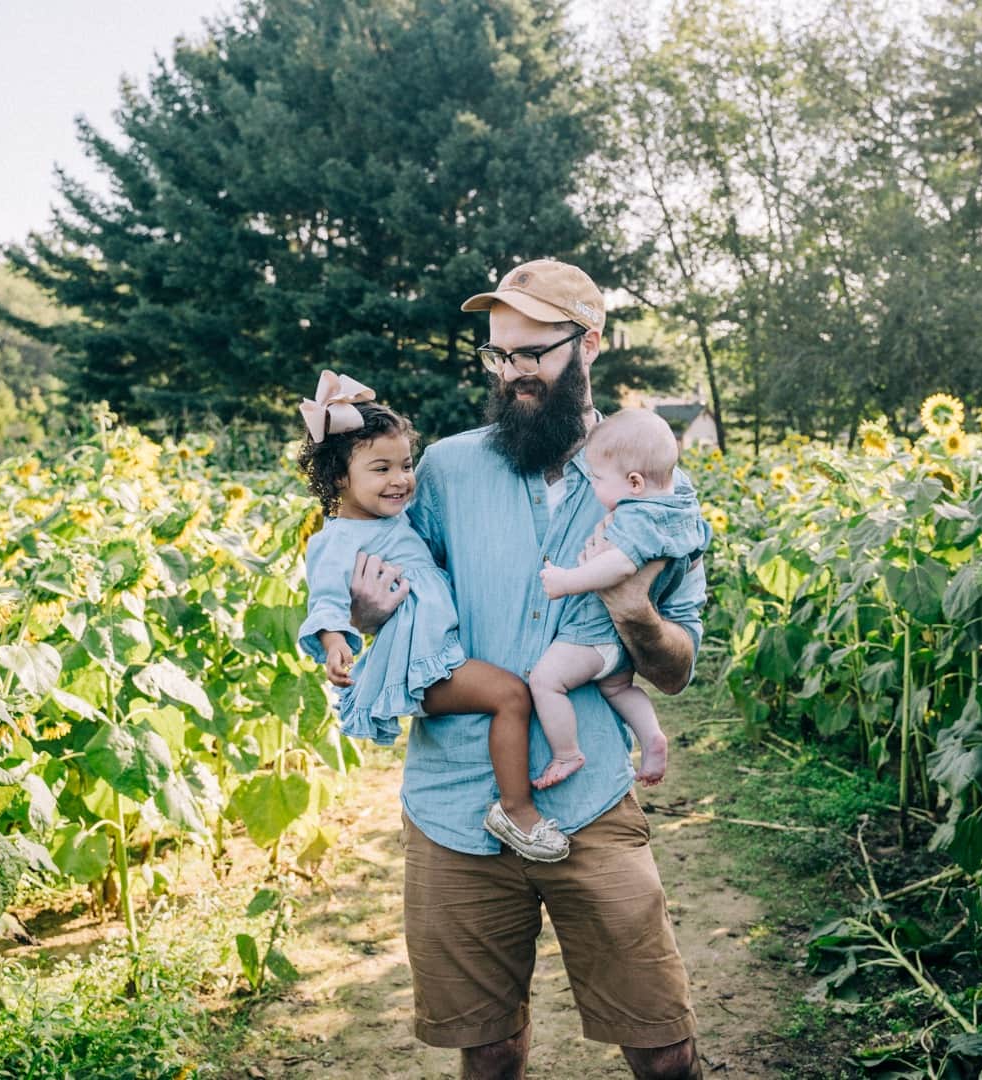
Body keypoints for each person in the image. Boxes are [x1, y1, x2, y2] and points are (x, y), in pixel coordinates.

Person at [348, 259, 706, 1079]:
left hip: (590, 800)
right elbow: (398, 599)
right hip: (454, 804)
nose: (513, 373)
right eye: (498, 355)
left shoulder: (655, 486)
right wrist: (365, 617)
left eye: (533, 353)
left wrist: (634, 610)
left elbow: (678, 669)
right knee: (490, 1051)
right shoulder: (443, 471)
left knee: (663, 1048)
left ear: (590, 344)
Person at [293, 371, 568, 862]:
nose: (400, 479)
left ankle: (513, 805)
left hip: (432, 653)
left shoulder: (392, 521)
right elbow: (328, 601)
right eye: (381, 469)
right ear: (339, 478)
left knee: (509, 696)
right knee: (510, 695)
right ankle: (516, 809)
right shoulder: (337, 540)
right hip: (417, 664)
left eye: (405, 465)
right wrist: (335, 643)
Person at [529, 408, 713, 790]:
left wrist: (567, 581)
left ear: (634, 482)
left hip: (593, 635)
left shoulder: (637, 516)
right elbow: (692, 554)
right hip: (621, 645)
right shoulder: (680, 510)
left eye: (597, 479)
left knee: (545, 681)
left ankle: (566, 752)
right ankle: (651, 736)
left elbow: (619, 565)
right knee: (617, 688)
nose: (593, 487)